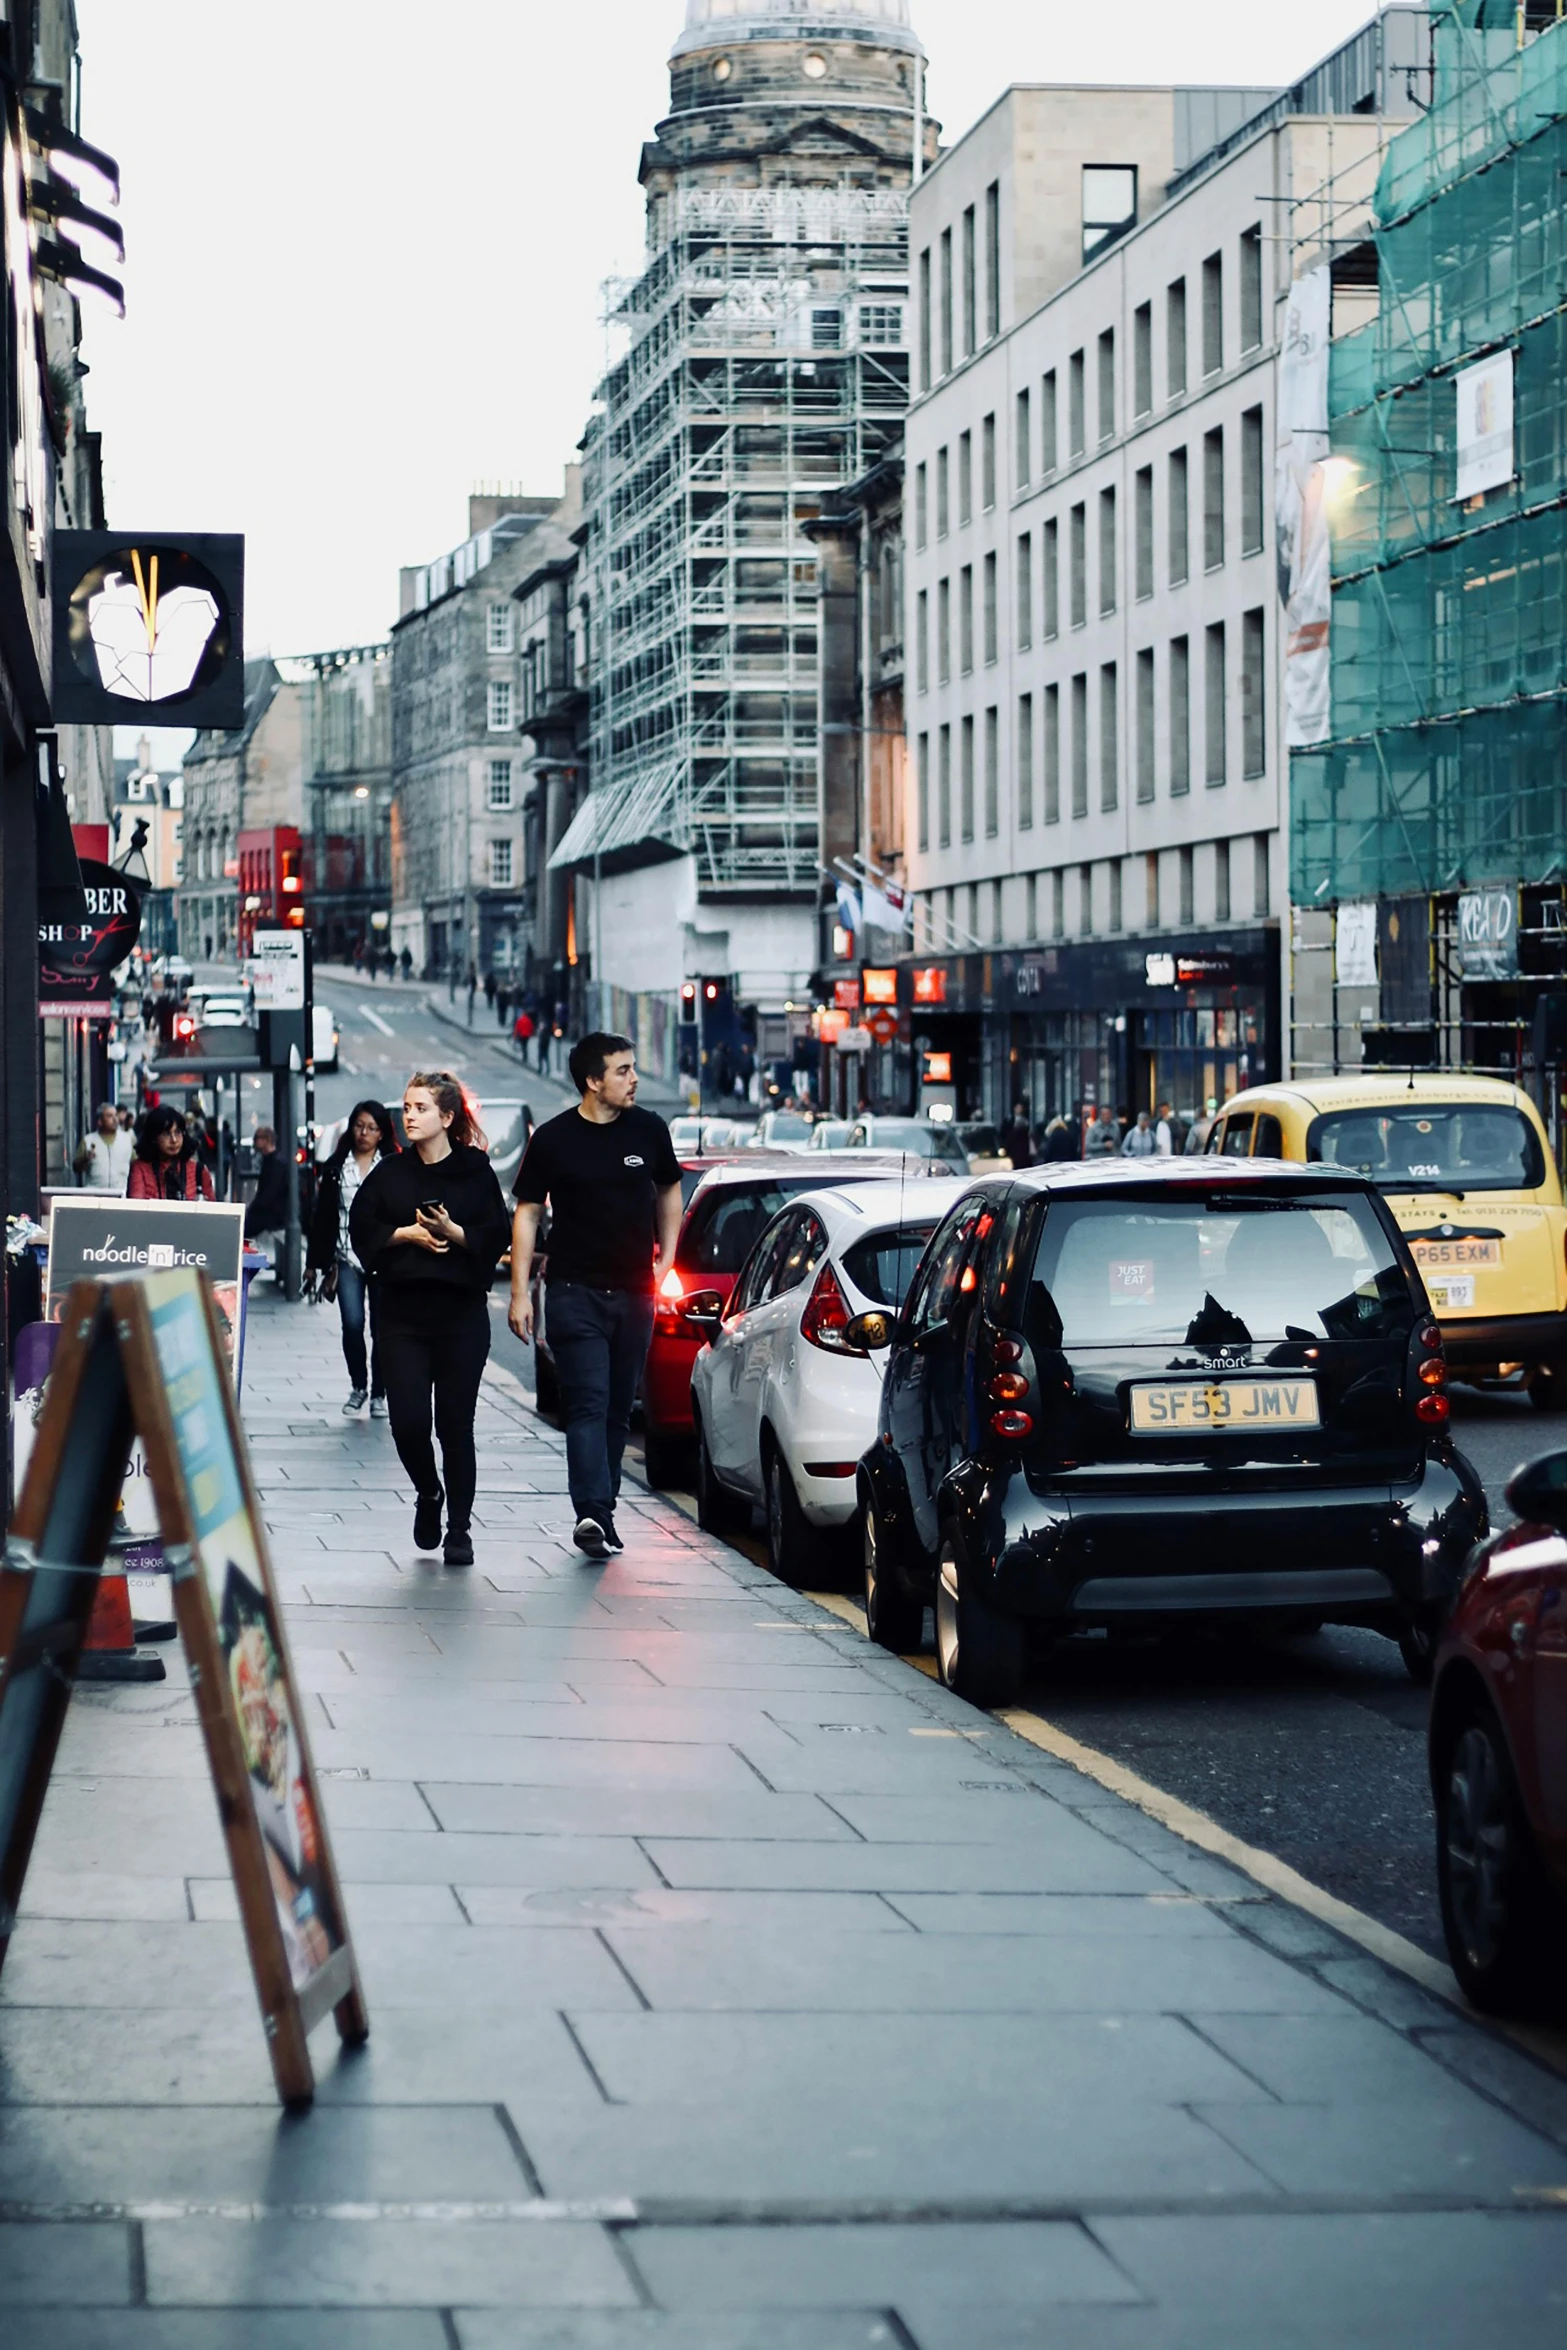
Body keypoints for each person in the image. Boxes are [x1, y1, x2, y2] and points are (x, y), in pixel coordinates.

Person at [508, 1032, 682, 1558]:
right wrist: (519, 1292)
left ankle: (601, 1507)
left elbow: (670, 1188)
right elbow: (528, 1212)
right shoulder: (555, 1139)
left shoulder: (649, 1130)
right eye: (623, 1071)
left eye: (633, 1069)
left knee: (615, 1410)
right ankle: (592, 1512)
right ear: (593, 1081)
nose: (634, 1079)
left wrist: (667, 1255)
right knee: (585, 1403)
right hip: (573, 1290)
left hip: (634, 1293)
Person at [350, 1072, 510, 1568]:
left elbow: (496, 1233)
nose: (409, 1116)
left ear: (446, 1117)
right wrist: (406, 1235)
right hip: (401, 1316)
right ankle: (428, 1491)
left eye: (420, 1108)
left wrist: (452, 1231)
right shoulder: (391, 1174)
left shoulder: (475, 1170)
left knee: (455, 1427)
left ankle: (459, 1529)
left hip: (460, 1316)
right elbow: (362, 1226)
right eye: (406, 1107)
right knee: (408, 1423)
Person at [309, 1101, 398, 1418]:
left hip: (383, 1258)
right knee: (352, 1324)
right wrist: (314, 1263)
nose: (364, 1133)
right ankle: (358, 1386)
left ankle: (379, 1394)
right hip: (346, 1257)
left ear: (382, 1132)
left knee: (382, 1330)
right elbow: (322, 1217)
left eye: (372, 1128)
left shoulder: (391, 1166)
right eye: (360, 1125)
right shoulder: (336, 1166)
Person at [129, 1106, 216, 1200]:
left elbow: (211, 1210)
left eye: (178, 1132)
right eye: (166, 1134)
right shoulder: (140, 1169)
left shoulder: (198, 1170)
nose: (174, 1140)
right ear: (153, 1137)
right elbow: (137, 1210)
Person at [244, 1126, 292, 1271]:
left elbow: (268, 1194)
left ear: (266, 1140)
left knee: (243, 1231)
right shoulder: (273, 1160)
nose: (254, 1142)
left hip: (273, 1214)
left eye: (257, 1138)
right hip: (271, 1212)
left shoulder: (275, 1162)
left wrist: (252, 1209)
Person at [74, 1101, 134, 1193]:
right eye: (109, 1116)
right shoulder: (88, 1140)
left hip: (121, 1195)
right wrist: (85, 1159)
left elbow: (136, 1164)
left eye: (115, 1115)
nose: (115, 1119)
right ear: (100, 1121)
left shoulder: (127, 1139)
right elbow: (76, 1167)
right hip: (94, 1196)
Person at [1003, 1100, 1035, 1170]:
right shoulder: (1009, 1121)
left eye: (1020, 1108)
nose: (1019, 1109)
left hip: (1018, 1157)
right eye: (1018, 1108)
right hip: (1020, 1157)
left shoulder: (1023, 1130)